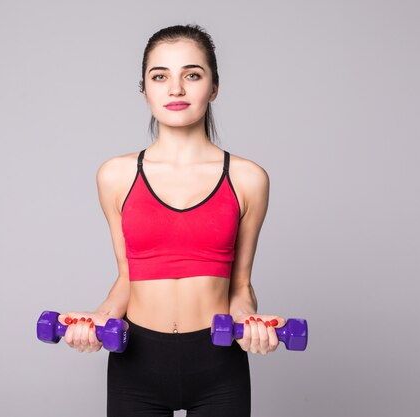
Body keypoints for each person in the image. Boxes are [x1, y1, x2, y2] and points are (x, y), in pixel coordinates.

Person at [57, 24, 286, 417]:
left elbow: (241, 285)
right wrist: (99, 317)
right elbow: (129, 274)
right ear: (145, 89)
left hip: (218, 366)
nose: (175, 89)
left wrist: (249, 322)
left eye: (192, 75)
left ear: (213, 87)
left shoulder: (248, 178)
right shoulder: (115, 175)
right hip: (137, 365)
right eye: (160, 76)